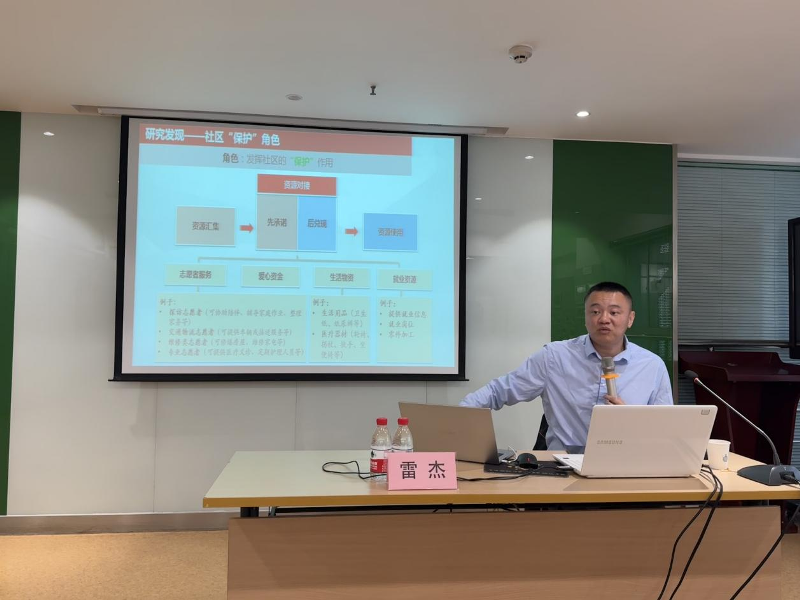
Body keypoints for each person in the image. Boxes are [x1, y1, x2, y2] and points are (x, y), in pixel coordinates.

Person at [460, 281, 673, 450]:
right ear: (585, 317)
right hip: (562, 467)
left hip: (627, 466)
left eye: (614, 312)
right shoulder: (555, 357)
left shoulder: (652, 366)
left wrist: (632, 422)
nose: (604, 319)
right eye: (595, 312)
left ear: (630, 318)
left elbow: (666, 430)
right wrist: (455, 420)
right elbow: (498, 391)